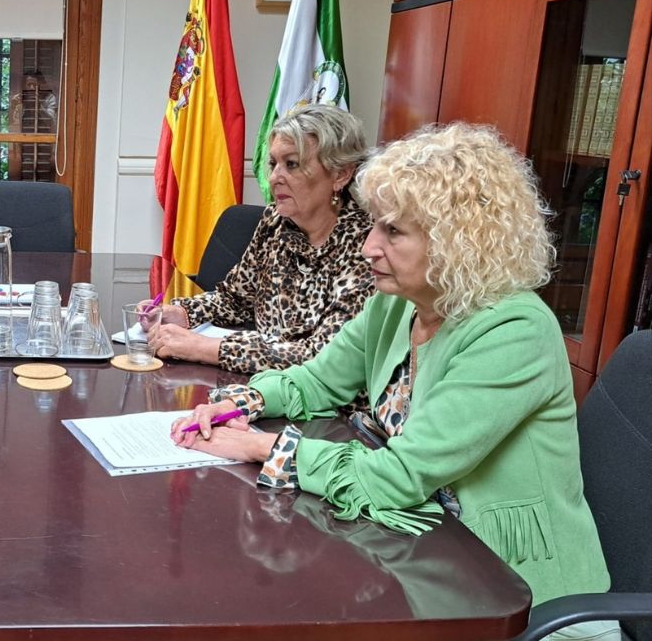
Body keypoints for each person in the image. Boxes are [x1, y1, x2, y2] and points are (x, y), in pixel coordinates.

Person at [171, 123, 616, 639]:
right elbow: (318, 382)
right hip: (416, 554)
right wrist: (242, 402)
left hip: (510, 594)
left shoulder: (514, 330)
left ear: (460, 242)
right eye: (374, 226)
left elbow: (400, 477)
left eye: (393, 232)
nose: (367, 247)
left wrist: (267, 448)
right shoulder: (397, 303)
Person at [149, 104, 374, 374]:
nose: (275, 177)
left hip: (323, 405)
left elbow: (325, 356)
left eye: (292, 164)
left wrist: (206, 348)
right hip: (260, 387)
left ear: (341, 173)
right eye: (273, 163)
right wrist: (184, 313)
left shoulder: (370, 244)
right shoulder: (275, 222)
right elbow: (235, 300)